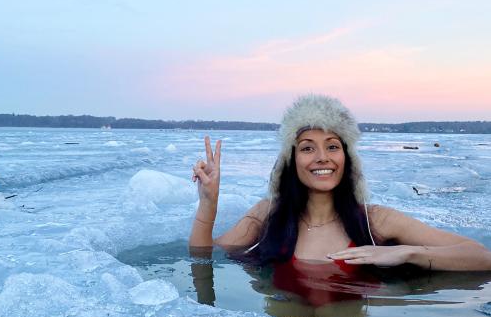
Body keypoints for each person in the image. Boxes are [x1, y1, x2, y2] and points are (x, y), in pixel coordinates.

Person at [189, 94, 491, 271]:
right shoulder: (267, 214)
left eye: (332, 146)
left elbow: (481, 256)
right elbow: (204, 258)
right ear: (292, 160)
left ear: (346, 156)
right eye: (308, 147)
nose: (322, 157)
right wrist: (208, 204)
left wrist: (405, 253)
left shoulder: (375, 222)